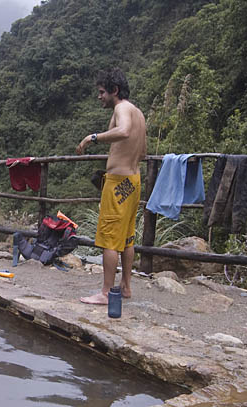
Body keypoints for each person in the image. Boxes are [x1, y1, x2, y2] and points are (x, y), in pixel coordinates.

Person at [75, 68, 147, 305]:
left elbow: (124, 131)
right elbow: (143, 152)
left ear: (115, 91)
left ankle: (106, 293)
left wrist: (92, 137)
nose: (100, 97)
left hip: (118, 183)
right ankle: (125, 287)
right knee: (126, 237)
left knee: (109, 239)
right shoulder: (139, 113)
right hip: (133, 181)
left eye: (102, 92)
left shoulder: (122, 108)